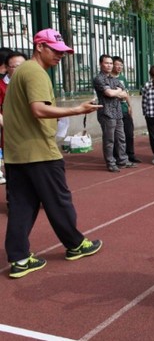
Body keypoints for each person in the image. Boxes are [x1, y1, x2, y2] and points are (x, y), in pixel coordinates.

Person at [4, 28, 103, 279]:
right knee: (58, 201)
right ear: (39, 47)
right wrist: (76, 109)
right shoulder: (36, 73)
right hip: (40, 152)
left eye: (63, 52)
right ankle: (75, 244)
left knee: (22, 205)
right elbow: (38, 109)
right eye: (56, 50)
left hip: (17, 154)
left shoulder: (22, 72)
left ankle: (19, 257)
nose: (61, 55)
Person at [93, 54, 135, 172]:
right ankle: (110, 162)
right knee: (109, 140)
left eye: (111, 63)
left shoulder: (114, 79)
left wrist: (116, 92)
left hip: (118, 112)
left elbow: (124, 93)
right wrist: (117, 92)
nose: (109, 65)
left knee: (121, 138)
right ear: (101, 64)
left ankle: (123, 160)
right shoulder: (99, 79)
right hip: (106, 113)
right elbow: (110, 94)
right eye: (107, 63)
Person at [0, 51, 27, 185]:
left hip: (31, 134)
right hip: (11, 134)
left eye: (22, 65)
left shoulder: (31, 83)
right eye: (15, 66)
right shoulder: (1, 86)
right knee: (13, 169)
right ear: (6, 67)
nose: (19, 69)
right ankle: (15, 200)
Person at [112, 56, 141, 163]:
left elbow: (126, 93)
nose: (119, 67)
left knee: (129, 133)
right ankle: (116, 156)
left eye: (121, 65)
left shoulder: (123, 78)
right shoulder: (109, 79)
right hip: (114, 110)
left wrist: (130, 106)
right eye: (117, 64)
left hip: (124, 109)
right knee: (116, 135)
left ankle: (130, 155)